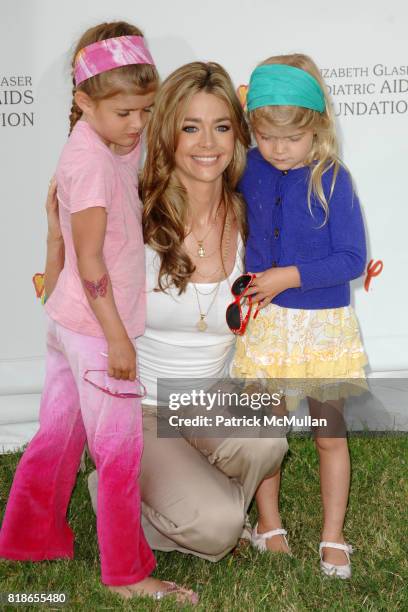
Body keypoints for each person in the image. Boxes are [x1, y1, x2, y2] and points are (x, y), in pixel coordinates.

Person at [45, 60, 288, 561]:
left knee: (267, 438)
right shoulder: (134, 209)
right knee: (220, 527)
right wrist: (56, 235)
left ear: (237, 135)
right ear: (167, 132)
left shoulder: (250, 216)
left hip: (206, 396)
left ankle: (191, 489)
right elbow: (71, 290)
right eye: (190, 127)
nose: (207, 143)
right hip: (139, 408)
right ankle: (120, 489)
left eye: (221, 127)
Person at [0, 21, 197, 604]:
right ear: (83, 102)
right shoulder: (87, 162)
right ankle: (128, 575)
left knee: (58, 436)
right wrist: (117, 339)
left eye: (145, 109)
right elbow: (91, 263)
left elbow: (59, 226)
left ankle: (27, 537)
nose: (137, 124)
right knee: (118, 455)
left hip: (67, 322)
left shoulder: (105, 140)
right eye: (124, 113)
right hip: (94, 329)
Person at [231, 54, 367, 579]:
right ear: (254, 131)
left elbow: (352, 259)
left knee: (328, 431)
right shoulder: (247, 169)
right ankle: (269, 524)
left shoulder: (332, 178)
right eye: (267, 137)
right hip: (265, 327)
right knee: (265, 432)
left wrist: (289, 276)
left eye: (291, 137)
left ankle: (333, 534)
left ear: (317, 126)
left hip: (321, 328)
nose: (279, 149)